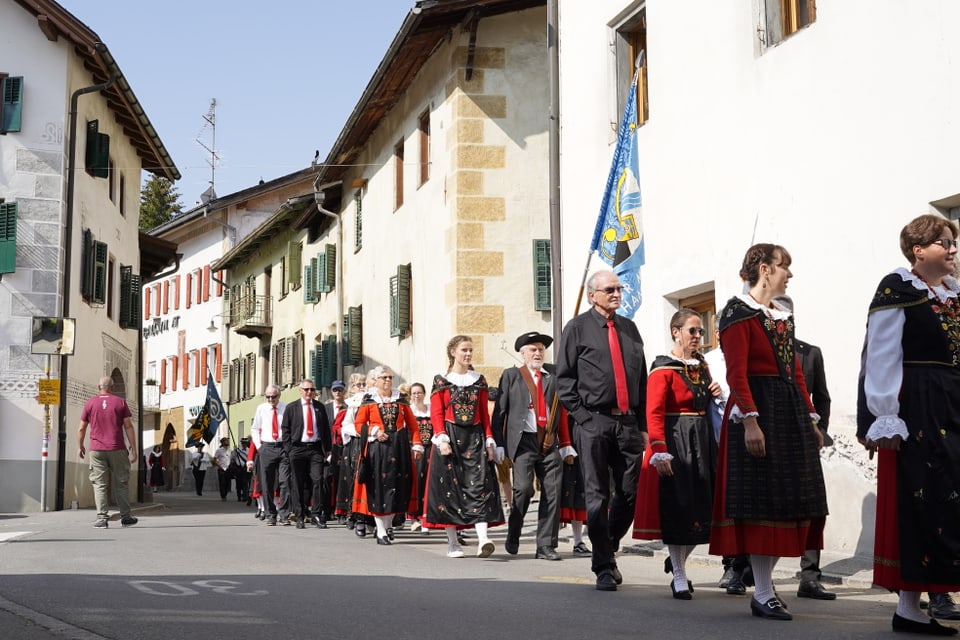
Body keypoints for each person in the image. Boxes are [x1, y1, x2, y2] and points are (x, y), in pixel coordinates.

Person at [708, 243, 827, 622]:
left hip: (788, 410)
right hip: (757, 408)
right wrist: (750, 421)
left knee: (792, 500)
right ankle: (762, 591)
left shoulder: (780, 317)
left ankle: (765, 588)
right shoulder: (737, 313)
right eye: (783, 267)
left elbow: (794, 370)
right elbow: (736, 373)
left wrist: (810, 417)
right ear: (764, 269)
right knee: (763, 502)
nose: (788, 275)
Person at [859, 214, 960, 636]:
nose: (953, 249)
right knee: (922, 498)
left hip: (953, 401)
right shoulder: (898, 287)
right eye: (944, 242)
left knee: (950, 500)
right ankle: (909, 608)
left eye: (953, 242)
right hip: (919, 404)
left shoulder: (954, 295)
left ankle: (928, 599)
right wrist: (885, 415)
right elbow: (880, 354)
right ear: (919, 250)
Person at [556, 270, 648, 591]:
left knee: (631, 492)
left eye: (619, 289)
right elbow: (563, 381)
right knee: (597, 494)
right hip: (593, 421)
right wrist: (583, 417)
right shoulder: (577, 328)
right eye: (609, 289)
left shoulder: (630, 329)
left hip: (628, 423)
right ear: (593, 294)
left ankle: (606, 544)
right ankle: (604, 566)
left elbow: (642, 380)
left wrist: (643, 425)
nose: (617, 294)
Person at [633, 309, 719, 599]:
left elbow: (705, 403)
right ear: (676, 332)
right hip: (676, 440)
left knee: (703, 510)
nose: (697, 336)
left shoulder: (702, 367)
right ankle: (680, 574)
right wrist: (659, 449)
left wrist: (714, 390)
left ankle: (677, 561)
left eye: (700, 332)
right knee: (679, 509)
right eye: (693, 331)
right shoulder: (663, 369)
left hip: (702, 440)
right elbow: (653, 413)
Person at [774, 294, 837, 601]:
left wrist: (820, 430)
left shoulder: (810, 354)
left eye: (785, 315)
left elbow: (822, 396)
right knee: (766, 504)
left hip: (804, 438)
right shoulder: (761, 351)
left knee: (814, 506)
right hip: (772, 438)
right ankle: (745, 569)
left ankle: (809, 576)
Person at [493, 331, 576, 561]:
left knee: (553, 493)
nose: (538, 353)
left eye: (541, 349)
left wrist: (565, 444)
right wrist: (499, 444)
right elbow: (500, 412)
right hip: (523, 442)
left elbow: (561, 412)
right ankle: (514, 530)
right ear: (522, 353)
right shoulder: (512, 376)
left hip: (548, 441)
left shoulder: (554, 375)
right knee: (523, 489)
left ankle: (546, 546)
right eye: (533, 349)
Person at [423, 334, 504, 558]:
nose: (468, 354)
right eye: (464, 350)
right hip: (450, 437)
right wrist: (441, 438)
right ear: (453, 353)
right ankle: (452, 543)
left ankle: (483, 539)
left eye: (470, 350)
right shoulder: (441, 381)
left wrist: (489, 440)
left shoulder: (479, 381)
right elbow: (437, 413)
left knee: (480, 486)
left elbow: (484, 416)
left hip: (475, 437)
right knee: (449, 489)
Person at [350, 366, 423, 544]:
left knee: (397, 487)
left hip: (399, 448)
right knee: (378, 489)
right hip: (378, 450)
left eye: (390, 377)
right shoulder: (369, 400)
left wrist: (417, 445)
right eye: (384, 377)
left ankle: (388, 526)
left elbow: (412, 425)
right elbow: (359, 424)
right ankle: (381, 530)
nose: (388, 380)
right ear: (376, 380)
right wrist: (375, 431)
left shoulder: (400, 399)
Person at [77, 376, 139, 528]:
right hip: (117, 448)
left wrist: (80, 446)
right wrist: (134, 448)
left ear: (99, 388)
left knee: (99, 484)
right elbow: (128, 427)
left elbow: (81, 428)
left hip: (97, 449)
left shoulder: (90, 403)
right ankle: (125, 517)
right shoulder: (120, 402)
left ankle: (102, 518)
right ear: (113, 388)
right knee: (122, 483)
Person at [281, 379, 332, 529]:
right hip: (297, 449)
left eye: (312, 389)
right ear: (300, 391)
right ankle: (299, 515)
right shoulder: (292, 408)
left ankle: (316, 513)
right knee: (297, 483)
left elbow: (325, 429)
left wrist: (327, 448)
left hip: (315, 448)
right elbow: (285, 430)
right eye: (306, 389)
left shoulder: (319, 407)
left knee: (318, 480)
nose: (309, 392)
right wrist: (289, 449)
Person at [250, 384, 288, 525]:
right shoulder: (261, 408)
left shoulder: (286, 407)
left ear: (279, 395)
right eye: (268, 397)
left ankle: (284, 513)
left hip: (283, 447)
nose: (271, 399)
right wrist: (260, 447)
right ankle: (270, 513)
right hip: (267, 447)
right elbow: (255, 428)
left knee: (285, 481)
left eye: (274, 396)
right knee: (267, 482)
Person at [408, 381, 431, 532]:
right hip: (414, 449)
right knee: (415, 481)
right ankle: (413, 517)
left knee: (428, 482)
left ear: (424, 394)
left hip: (430, 449)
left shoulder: (430, 409)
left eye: (419, 392)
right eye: (414, 393)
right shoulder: (409, 411)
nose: (417, 396)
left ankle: (426, 517)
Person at [214, 437, 233, 502]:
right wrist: (219, 466)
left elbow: (231, 459)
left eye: (227, 441)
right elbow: (214, 460)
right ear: (222, 442)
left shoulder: (230, 450)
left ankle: (225, 494)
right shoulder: (219, 450)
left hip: (228, 469)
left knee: (227, 483)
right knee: (222, 483)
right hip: (221, 468)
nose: (227, 442)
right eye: (226, 441)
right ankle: (223, 496)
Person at [234, 437, 252, 504]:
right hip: (238, 468)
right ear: (241, 443)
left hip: (245, 468)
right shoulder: (238, 450)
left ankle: (245, 496)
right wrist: (234, 451)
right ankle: (239, 496)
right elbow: (233, 457)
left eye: (245, 443)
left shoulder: (249, 450)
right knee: (238, 483)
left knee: (245, 483)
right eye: (243, 443)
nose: (244, 444)